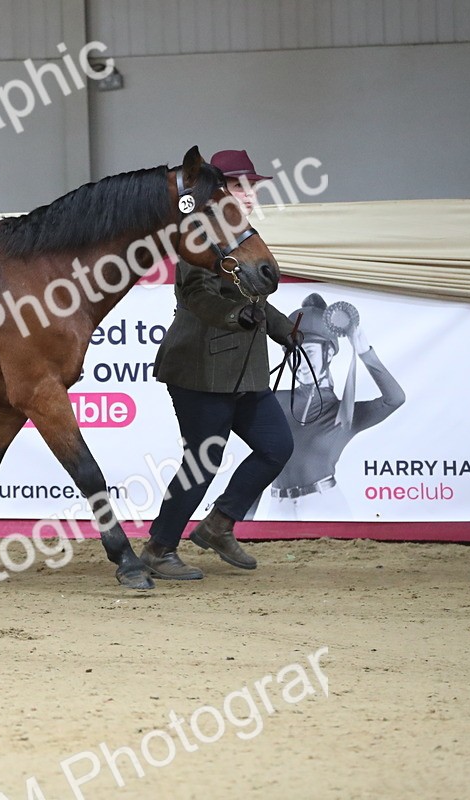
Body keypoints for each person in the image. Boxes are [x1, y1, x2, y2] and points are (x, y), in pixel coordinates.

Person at [141, 149, 298, 580]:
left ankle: (219, 523)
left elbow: (256, 299)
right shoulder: (202, 233)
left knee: (276, 447)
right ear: (219, 189)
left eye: (253, 186)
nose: (251, 194)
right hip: (199, 368)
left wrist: (285, 329)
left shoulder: (239, 233)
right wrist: (233, 316)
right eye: (242, 185)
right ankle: (158, 547)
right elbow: (196, 295)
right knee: (203, 460)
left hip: (246, 373)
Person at [264, 293, 405, 519]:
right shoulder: (274, 399)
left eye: (308, 352)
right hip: (277, 506)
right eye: (294, 355)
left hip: (323, 504)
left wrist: (364, 352)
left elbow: (394, 399)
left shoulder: (344, 412)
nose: (299, 364)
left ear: (328, 352)